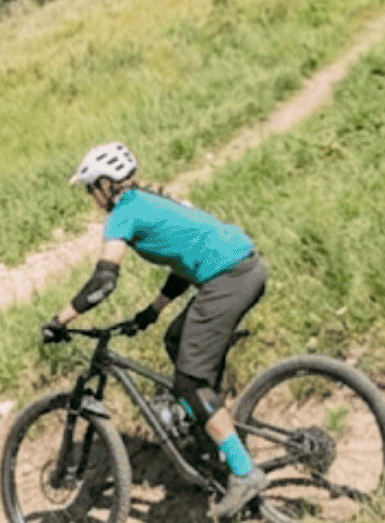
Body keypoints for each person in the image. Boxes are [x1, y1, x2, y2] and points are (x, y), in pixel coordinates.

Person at [43, 141, 270, 518]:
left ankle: (244, 473)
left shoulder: (122, 214)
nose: (90, 197)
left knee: (188, 383)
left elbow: (103, 282)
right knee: (175, 339)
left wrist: (60, 319)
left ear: (103, 185)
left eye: (89, 188)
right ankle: (209, 435)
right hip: (242, 269)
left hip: (228, 280)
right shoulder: (152, 202)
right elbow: (185, 262)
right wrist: (152, 312)